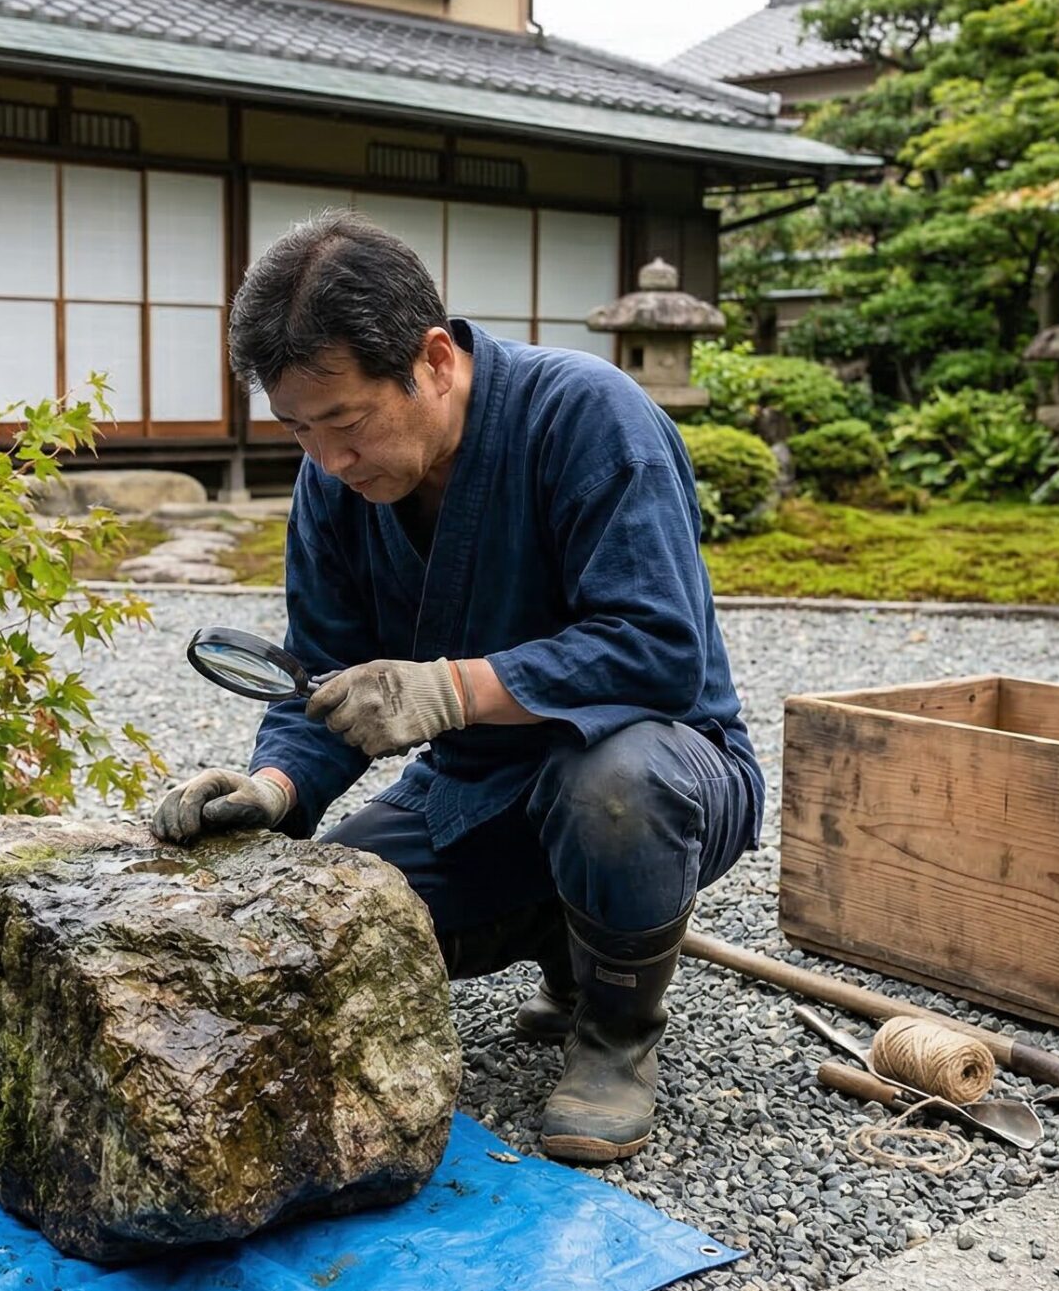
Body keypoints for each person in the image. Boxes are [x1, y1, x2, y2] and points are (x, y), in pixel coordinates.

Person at [151, 211, 762, 1165]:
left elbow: (660, 650)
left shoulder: (590, 417)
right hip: (477, 791)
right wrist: (273, 787)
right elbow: (322, 677)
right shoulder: (331, 485)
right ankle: (563, 925)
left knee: (609, 789)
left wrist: (454, 688)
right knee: (329, 923)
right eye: (299, 432)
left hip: (662, 768)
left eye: (347, 423)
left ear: (433, 360)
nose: (329, 461)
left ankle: (616, 1025)